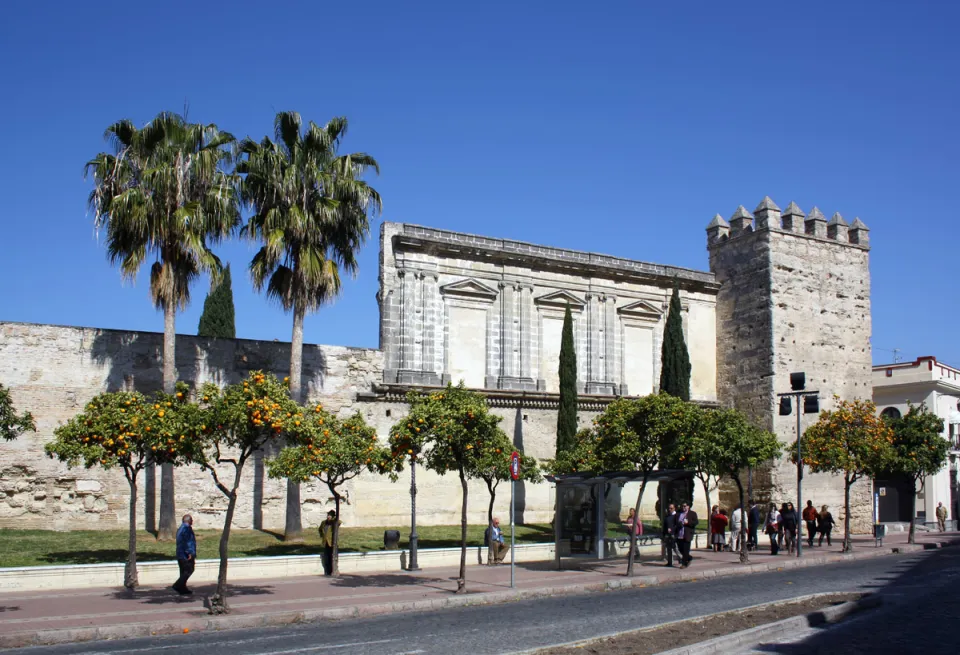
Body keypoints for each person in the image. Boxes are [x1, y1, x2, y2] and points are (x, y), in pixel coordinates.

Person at [172, 514, 196, 595]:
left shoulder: (180, 529)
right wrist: (189, 552)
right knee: (189, 570)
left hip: (180, 554)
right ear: (188, 520)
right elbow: (188, 541)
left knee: (183, 572)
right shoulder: (186, 529)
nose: (192, 521)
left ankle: (182, 588)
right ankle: (177, 585)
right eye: (191, 520)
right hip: (185, 555)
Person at [676, 502, 699, 567]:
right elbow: (676, 522)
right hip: (680, 534)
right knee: (680, 549)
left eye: (685, 506)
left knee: (686, 549)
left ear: (688, 506)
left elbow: (696, 522)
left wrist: (688, 522)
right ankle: (689, 557)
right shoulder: (679, 514)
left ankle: (684, 564)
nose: (683, 507)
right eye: (682, 506)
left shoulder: (692, 513)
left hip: (687, 534)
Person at [319, 510, 340, 576]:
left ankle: (332, 571)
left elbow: (339, 522)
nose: (328, 517)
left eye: (330, 515)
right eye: (328, 515)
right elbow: (320, 529)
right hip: (326, 542)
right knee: (326, 557)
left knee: (332, 557)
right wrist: (322, 535)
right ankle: (327, 571)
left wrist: (334, 519)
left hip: (332, 542)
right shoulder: (324, 522)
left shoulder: (334, 523)